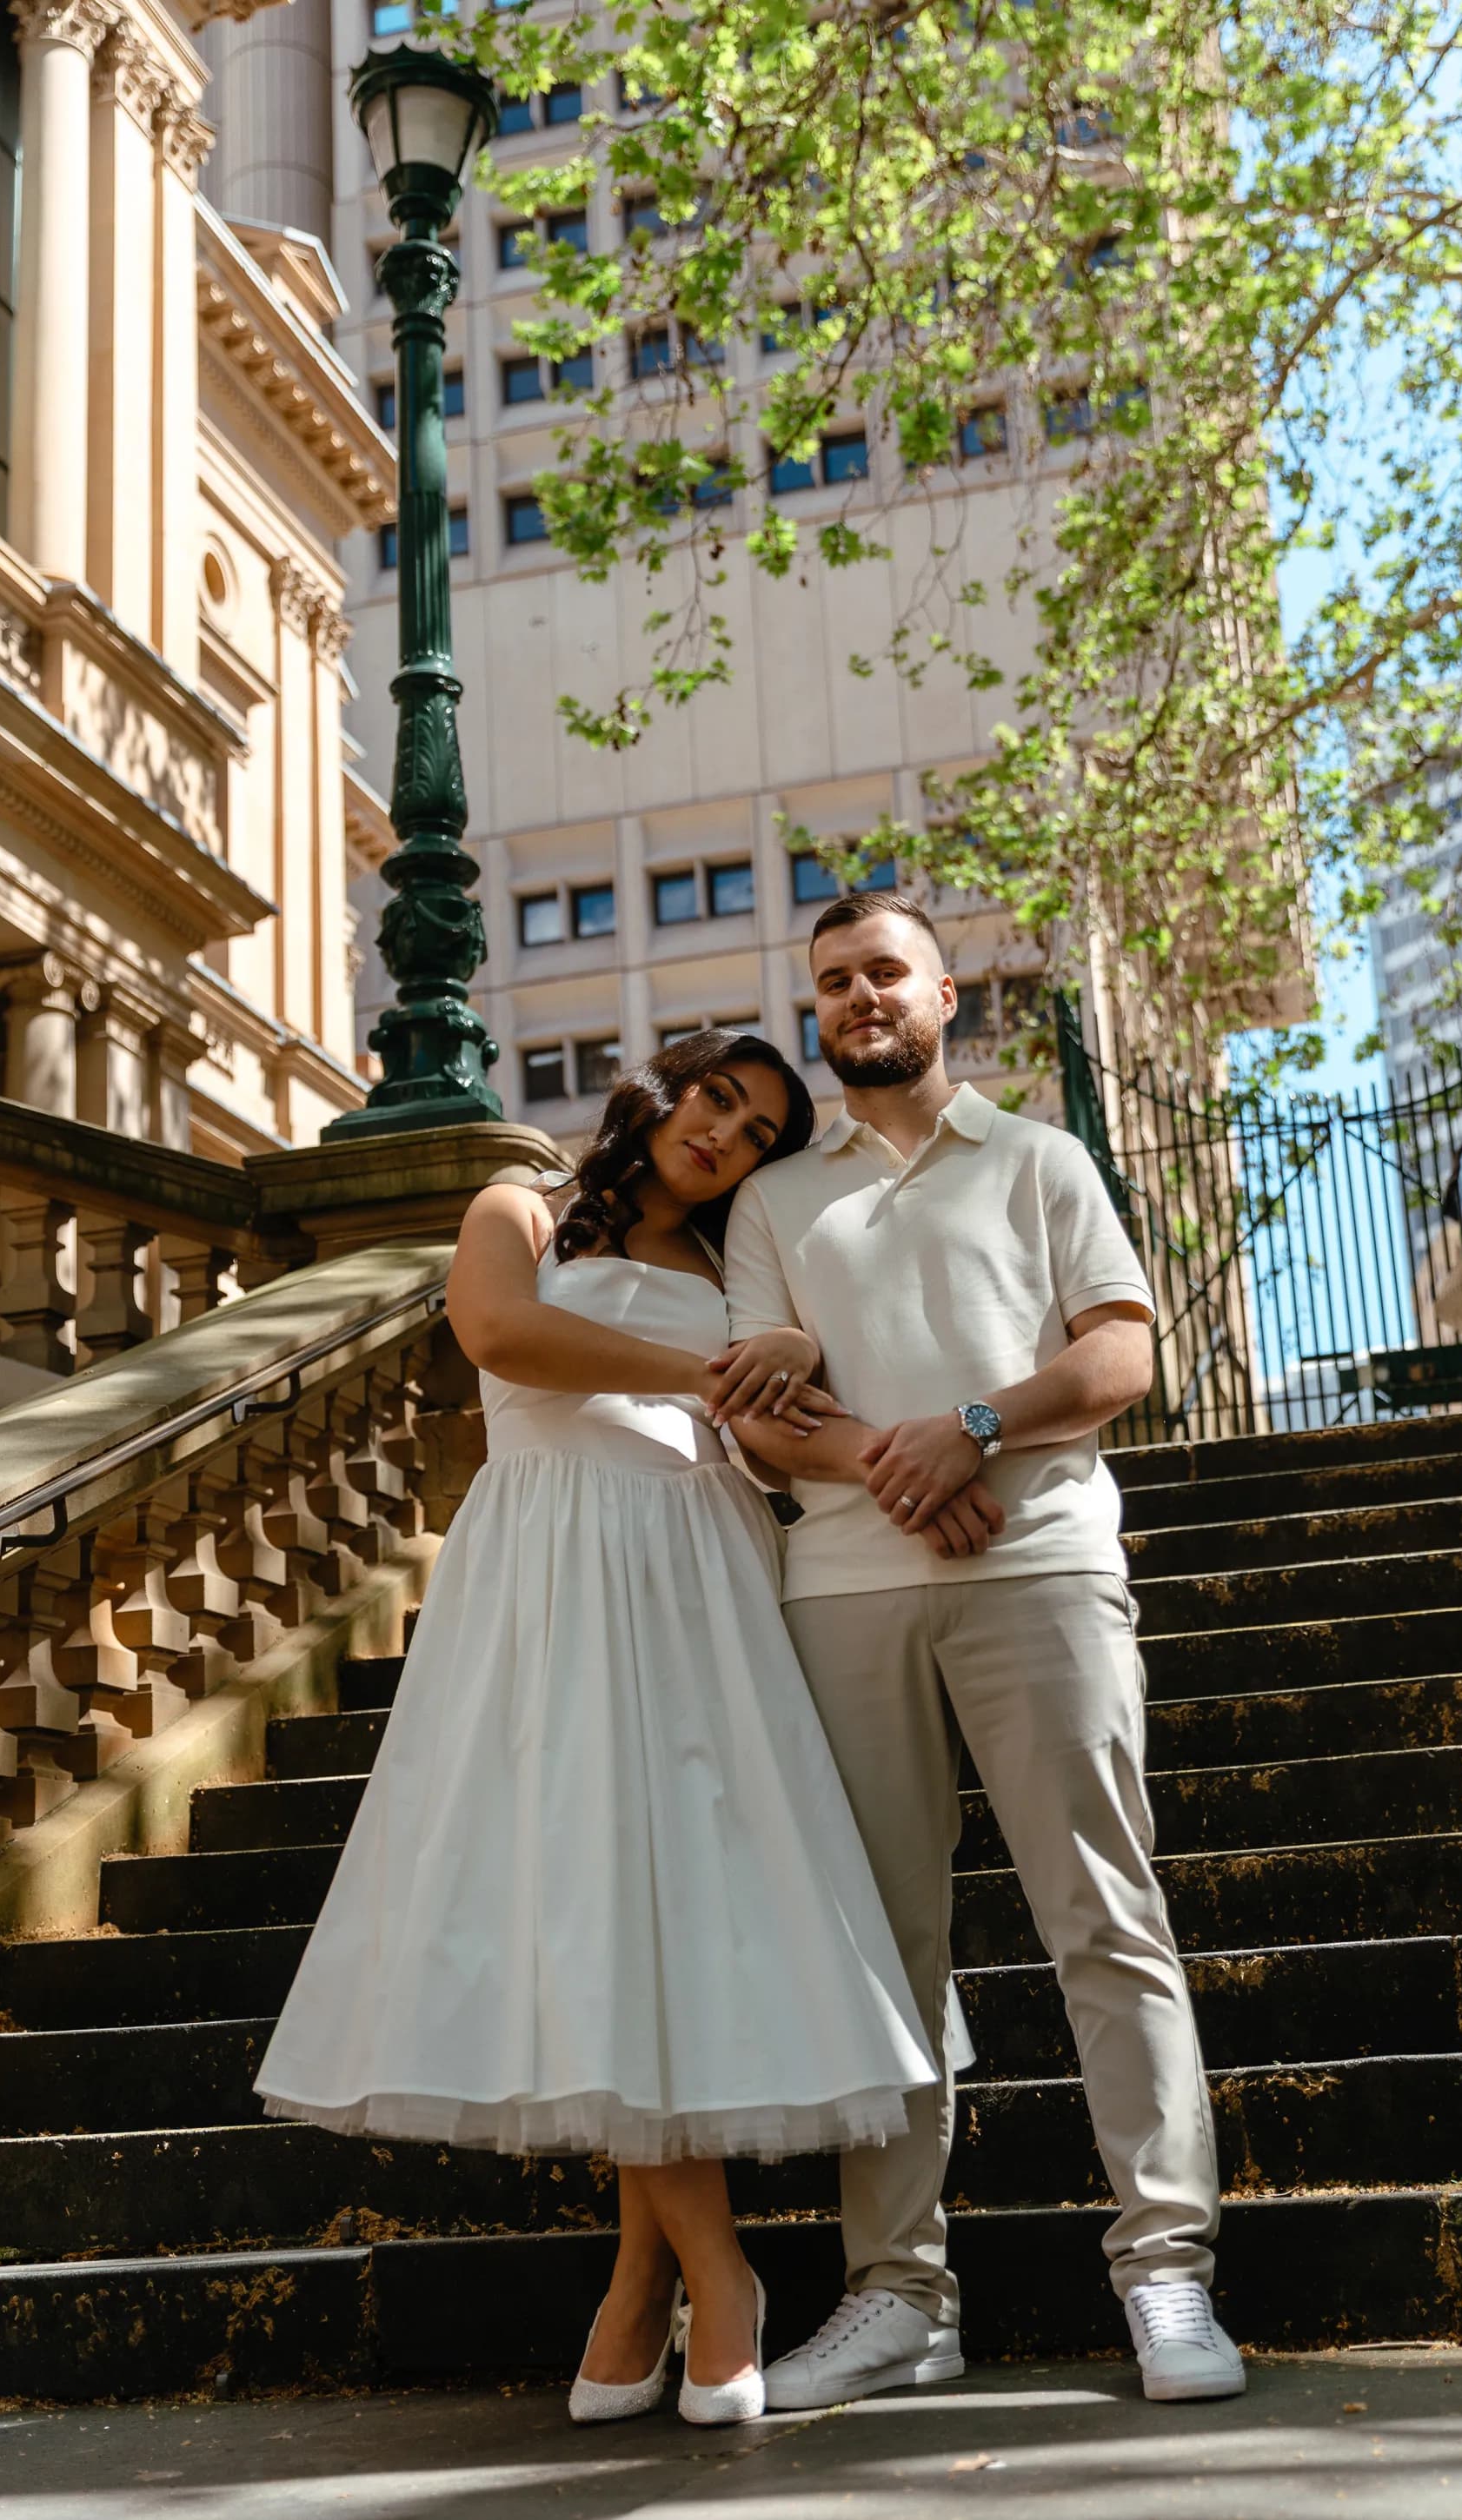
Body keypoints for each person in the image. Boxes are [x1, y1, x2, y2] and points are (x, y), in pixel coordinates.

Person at [255, 1031, 940, 2429]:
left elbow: (784, 1429)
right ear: (663, 1090)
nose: (726, 1138)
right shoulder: (517, 1206)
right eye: (717, 1102)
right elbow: (503, 1337)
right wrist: (701, 1378)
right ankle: (717, 2273)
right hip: (549, 1574)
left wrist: (914, 1449)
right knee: (583, 1905)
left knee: (676, 1921)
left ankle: (643, 2289)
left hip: (704, 1584)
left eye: (756, 1133)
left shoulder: (743, 1272)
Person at [722, 897, 1245, 2409]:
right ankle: (898, 2296)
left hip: (1044, 1567)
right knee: (885, 1950)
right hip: (844, 1590)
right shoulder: (776, 1201)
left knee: (1104, 1916)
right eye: (830, 984)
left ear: (942, 992)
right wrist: (907, 1467)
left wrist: (973, 1435)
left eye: (882, 972)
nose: (856, 998)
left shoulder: (1038, 1160)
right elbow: (751, 1404)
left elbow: (1119, 1356)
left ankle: (1167, 2271)